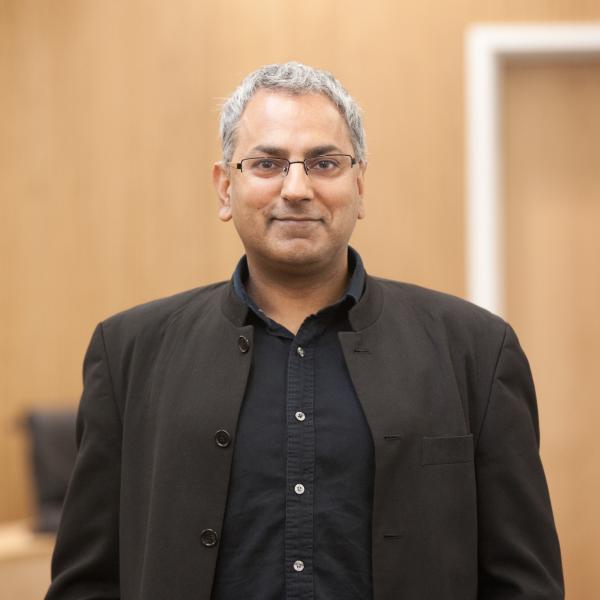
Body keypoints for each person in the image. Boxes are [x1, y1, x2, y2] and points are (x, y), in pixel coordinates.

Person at [46, 62, 563, 600]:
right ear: (226, 187)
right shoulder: (129, 352)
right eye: (267, 163)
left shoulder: (476, 351)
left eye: (324, 163)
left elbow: (524, 583)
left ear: (359, 186)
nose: (296, 188)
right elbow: (88, 583)